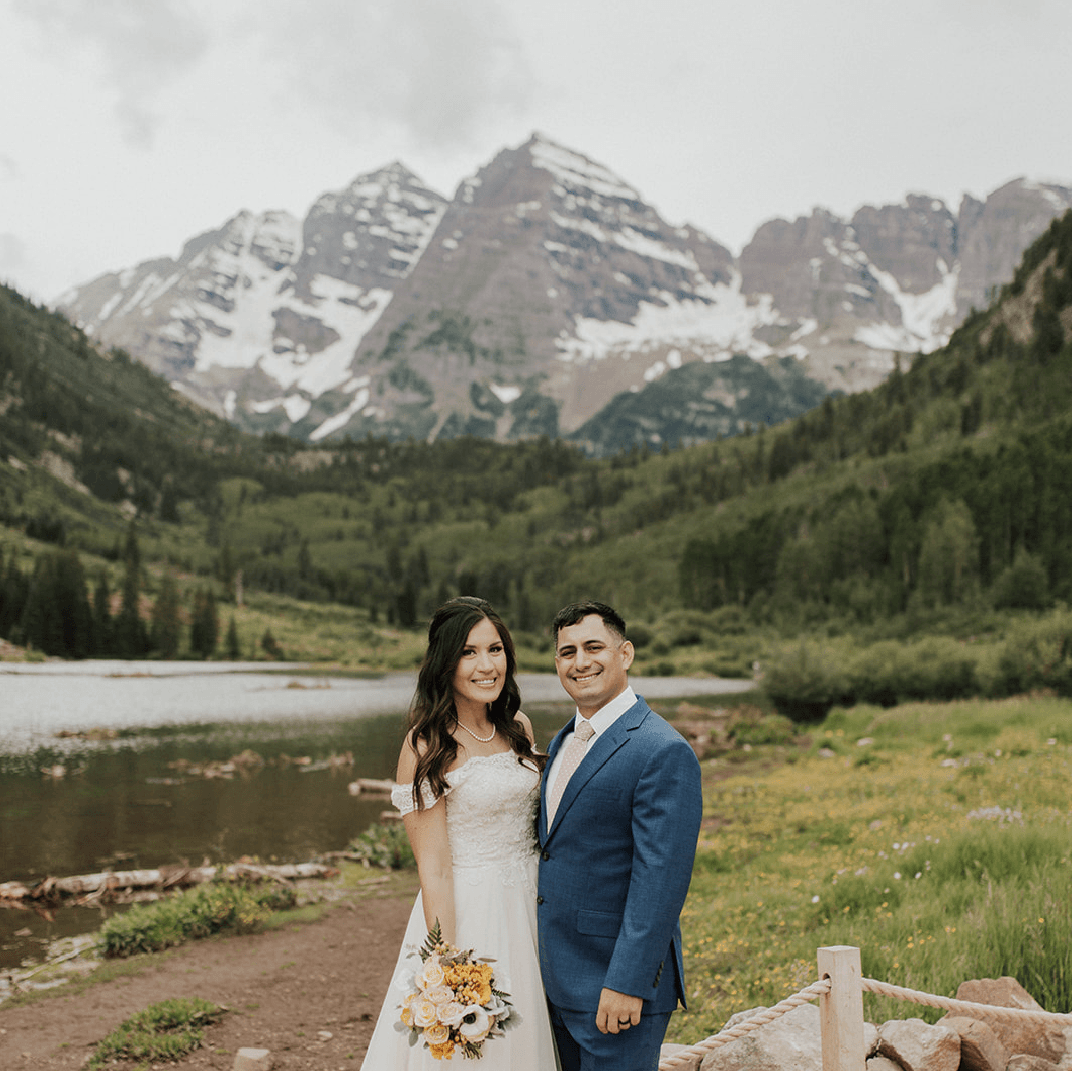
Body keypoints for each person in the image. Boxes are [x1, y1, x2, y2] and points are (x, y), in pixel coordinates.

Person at [361, 597, 559, 1069]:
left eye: (495, 649)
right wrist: (446, 965)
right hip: (473, 912)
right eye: (469, 652)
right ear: (444, 663)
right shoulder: (426, 745)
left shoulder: (517, 727)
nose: (487, 665)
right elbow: (435, 871)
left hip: (534, 903)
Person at [537, 601, 703, 1071]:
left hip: (615, 988)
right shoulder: (563, 740)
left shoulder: (662, 750)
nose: (580, 662)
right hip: (556, 981)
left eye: (594, 647)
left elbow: (661, 880)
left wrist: (628, 982)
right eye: (567, 652)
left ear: (624, 653)